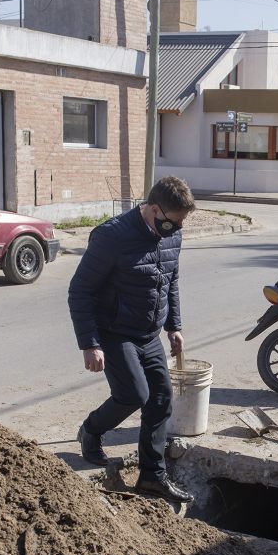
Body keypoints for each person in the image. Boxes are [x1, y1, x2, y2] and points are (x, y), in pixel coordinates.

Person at [68, 176, 196, 504]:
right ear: (153, 209)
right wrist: (90, 343)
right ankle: (92, 430)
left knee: (161, 399)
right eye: (171, 222)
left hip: (149, 331)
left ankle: (152, 477)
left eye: (181, 223)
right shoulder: (112, 236)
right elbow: (80, 290)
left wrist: (174, 326)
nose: (176, 229)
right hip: (114, 331)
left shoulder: (172, 236)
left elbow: (171, 280)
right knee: (133, 394)